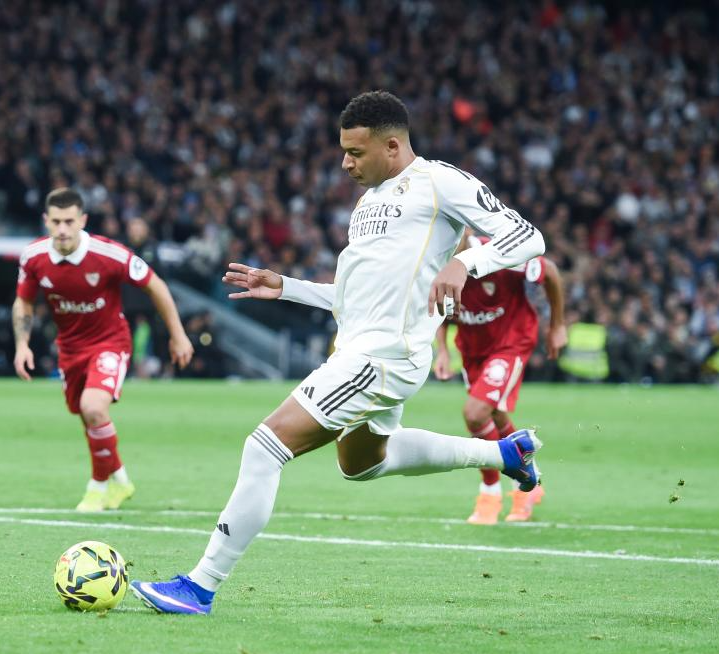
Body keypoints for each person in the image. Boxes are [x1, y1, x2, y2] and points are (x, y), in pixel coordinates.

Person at [130, 91, 546, 615]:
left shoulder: (439, 181)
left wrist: (466, 263)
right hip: (366, 348)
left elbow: (528, 236)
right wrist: (287, 287)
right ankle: (503, 454)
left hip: (382, 357)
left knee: (264, 448)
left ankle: (199, 587)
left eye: (355, 152)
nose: (345, 163)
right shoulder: (368, 204)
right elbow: (352, 301)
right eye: (344, 151)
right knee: (362, 463)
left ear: (392, 146)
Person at [13, 188, 193, 512]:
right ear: (46, 221)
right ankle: (121, 480)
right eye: (56, 222)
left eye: (69, 221)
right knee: (89, 418)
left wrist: (178, 335)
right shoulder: (33, 257)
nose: (63, 229)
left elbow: (156, 285)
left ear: (83, 220)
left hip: (110, 342)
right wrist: (22, 344)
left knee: (93, 407)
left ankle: (96, 487)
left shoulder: (110, 254)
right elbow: (23, 301)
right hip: (70, 349)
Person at [433, 234, 567, 525]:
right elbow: (441, 308)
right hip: (472, 348)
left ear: (466, 231)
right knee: (494, 414)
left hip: (511, 341)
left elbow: (550, 272)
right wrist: (441, 350)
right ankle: (529, 483)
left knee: (475, 413)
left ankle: (490, 492)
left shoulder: (496, 254)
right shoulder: (435, 258)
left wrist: (557, 325)